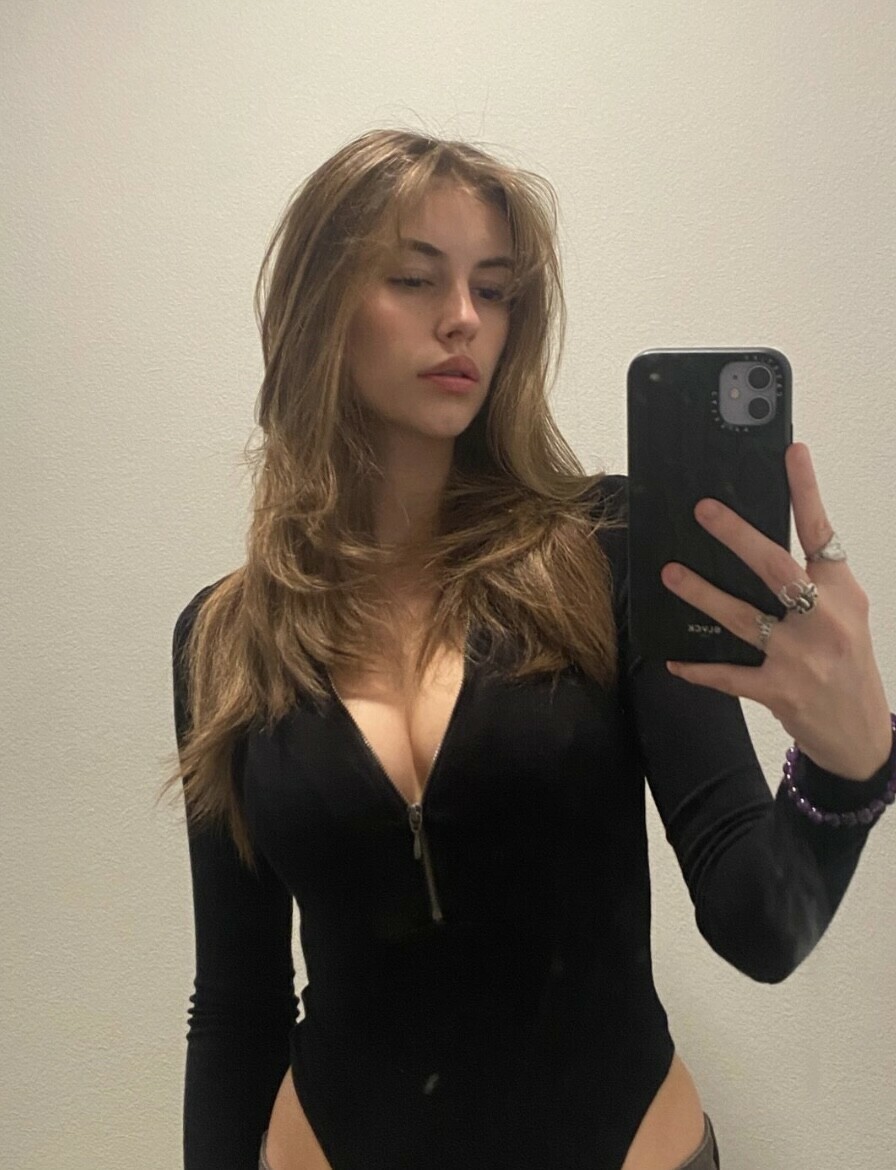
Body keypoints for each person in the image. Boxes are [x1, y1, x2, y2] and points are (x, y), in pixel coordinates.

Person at [166, 129, 894, 1170]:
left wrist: (847, 767)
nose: (463, 317)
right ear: (316, 303)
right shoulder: (225, 640)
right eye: (415, 277)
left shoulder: (610, 555)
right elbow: (237, 1003)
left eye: (494, 289)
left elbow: (759, 925)